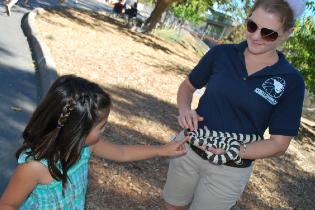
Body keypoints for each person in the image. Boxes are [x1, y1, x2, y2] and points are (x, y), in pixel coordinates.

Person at [162, 0, 306, 210]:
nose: (255, 36)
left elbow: (278, 144)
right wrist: (185, 110)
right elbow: (187, 87)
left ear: (286, 33)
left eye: (268, 33)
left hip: (229, 170)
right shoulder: (222, 53)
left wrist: (231, 149)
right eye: (251, 26)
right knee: (172, 206)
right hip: (186, 151)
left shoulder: (291, 81)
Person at [0, 75, 188, 209]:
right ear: (77, 130)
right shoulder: (34, 167)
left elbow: (121, 152)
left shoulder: (84, 147)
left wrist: (162, 150)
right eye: (102, 126)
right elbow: (8, 204)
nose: (104, 131)